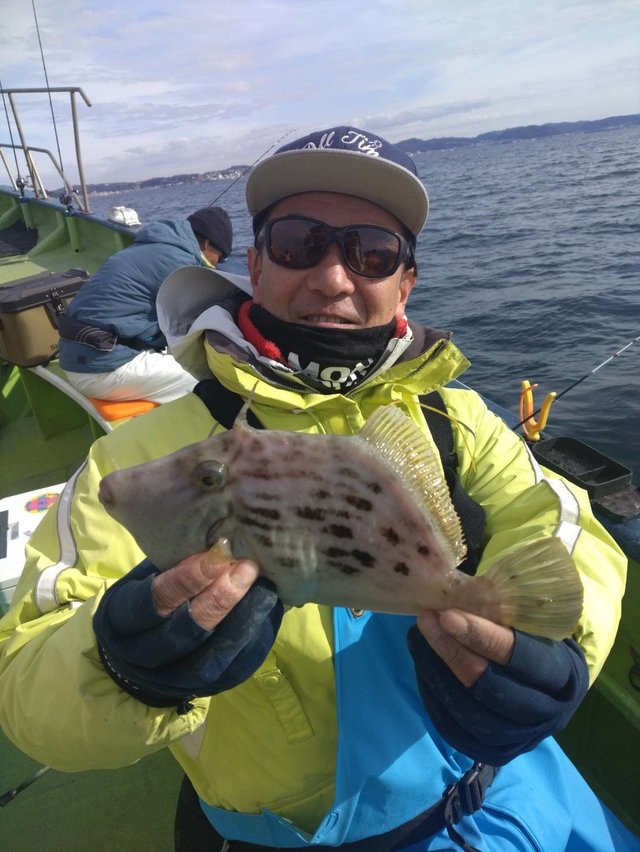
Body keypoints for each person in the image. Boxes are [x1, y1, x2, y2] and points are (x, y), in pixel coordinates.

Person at [0, 126, 637, 852]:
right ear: (256, 263)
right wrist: (120, 662)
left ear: (405, 283)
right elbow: (27, 685)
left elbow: (557, 524)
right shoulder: (132, 454)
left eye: (373, 253)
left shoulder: (454, 419)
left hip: (502, 790)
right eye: (300, 242)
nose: (333, 278)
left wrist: (560, 652)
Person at [57, 206, 233, 403]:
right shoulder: (181, 263)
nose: (217, 264)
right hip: (99, 369)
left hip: (77, 355)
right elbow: (194, 321)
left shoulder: (154, 245)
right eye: (220, 258)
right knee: (213, 377)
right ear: (207, 244)